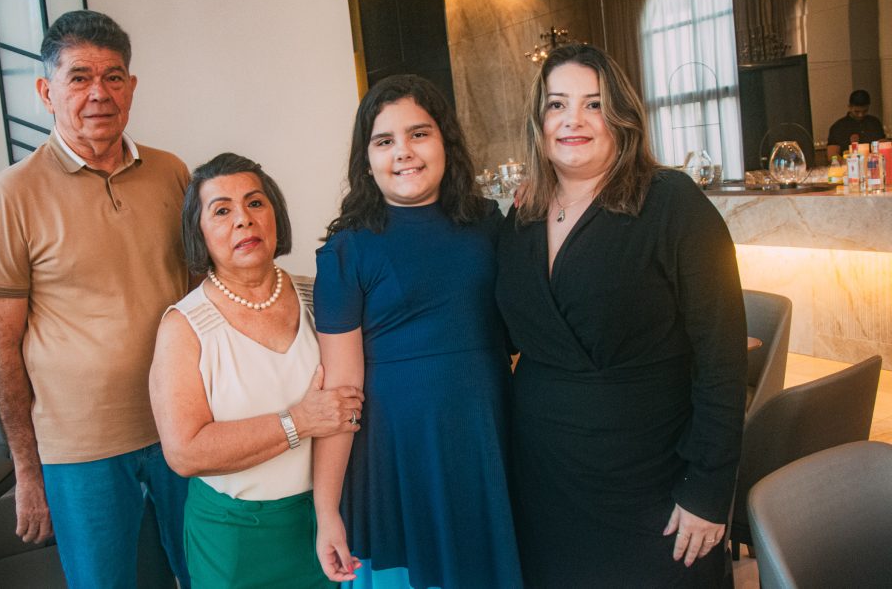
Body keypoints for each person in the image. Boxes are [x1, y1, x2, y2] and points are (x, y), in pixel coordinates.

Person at [497, 44, 746, 587]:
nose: (573, 120)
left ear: (622, 117)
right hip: (544, 480)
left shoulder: (672, 203)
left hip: (651, 480)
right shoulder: (521, 214)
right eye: (558, 104)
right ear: (539, 121)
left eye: (593, 104)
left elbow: (723, 358)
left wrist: (709, 488)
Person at [0, 10, 191, 588]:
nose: (99, 93)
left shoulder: (172, 173)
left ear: (132, 88)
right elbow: (2, 349)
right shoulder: (12, 193)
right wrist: (28, 471)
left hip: (183, 426)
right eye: (79, 77)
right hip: (79, 447)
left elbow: (202, 296)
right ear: (47, 91)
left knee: (203, 573)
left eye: (114, 77)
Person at [313, 74, 522, 588]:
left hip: (487, 446)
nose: (403, 152)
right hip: (395, 462)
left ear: (446, 142)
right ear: (367, 160)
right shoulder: (348, 251)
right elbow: (340, 392)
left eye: (419, 134)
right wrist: (326, 510)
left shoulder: (491, 227)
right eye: (384, 141)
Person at [149, 153, 363, 588]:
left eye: (255, 203)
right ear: (199, 233)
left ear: (275, 215)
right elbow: (184, 452)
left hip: (328, 519)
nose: (243, 220)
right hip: (233, 539)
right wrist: (301, 421)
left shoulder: (319, 295)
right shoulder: (184, 325)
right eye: (222, 210)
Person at [827, 89, 885, 158]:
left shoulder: (875, 123)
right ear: (849, 107)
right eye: (857, 111)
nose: (860, 115)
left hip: (873, 164)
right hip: (848, 166)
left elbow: (883, 146)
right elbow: (832, 155)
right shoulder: (838, 127)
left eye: (865, 111)